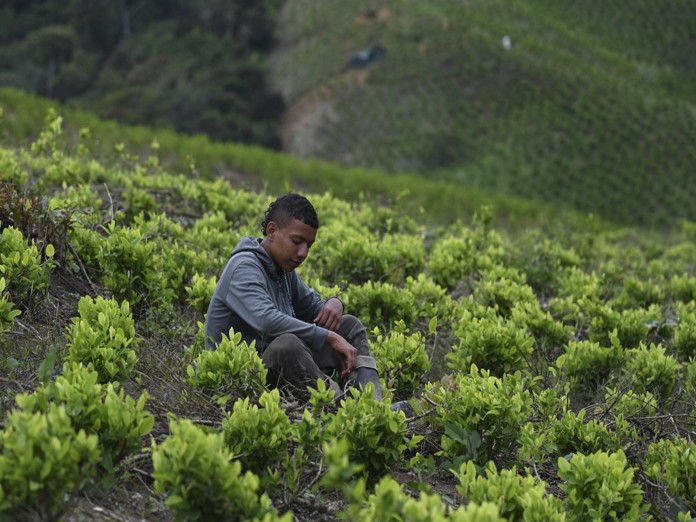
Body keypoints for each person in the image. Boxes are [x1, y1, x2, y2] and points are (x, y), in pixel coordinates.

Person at [204, 192, 398, 408]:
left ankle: (374, 406)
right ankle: (343, 411)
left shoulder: (282, 269)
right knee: (287, 345)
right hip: (243, 381)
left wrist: (334, 302)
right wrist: (330, 338)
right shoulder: (244, 267)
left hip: (276, 374)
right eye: (297, 241)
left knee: (349, 325)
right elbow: (266, 321)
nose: (304, 253)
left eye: (309, 245)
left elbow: (314, 308)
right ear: (272, 231)